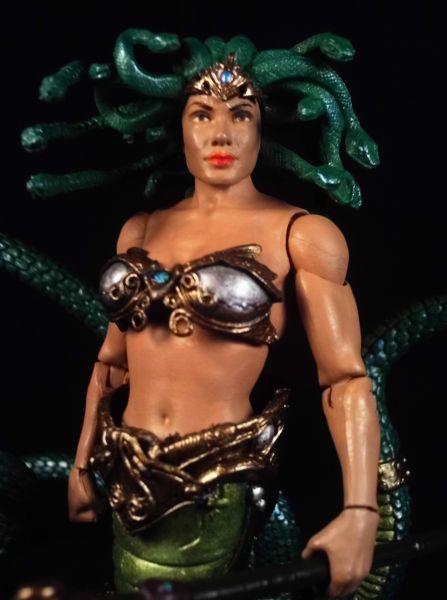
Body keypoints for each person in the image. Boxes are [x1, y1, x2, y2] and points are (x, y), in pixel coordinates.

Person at [32, 31, 380, 596]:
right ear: (181, 128)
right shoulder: (142, 229)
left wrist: (360, 510)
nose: (222, 133)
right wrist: (80, 465)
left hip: (215, 478)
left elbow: (344, 380)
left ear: (261, 130)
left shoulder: (300, 235)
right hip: (124, 468)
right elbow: (111, 364)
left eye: (241, 114)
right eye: (202, 114)